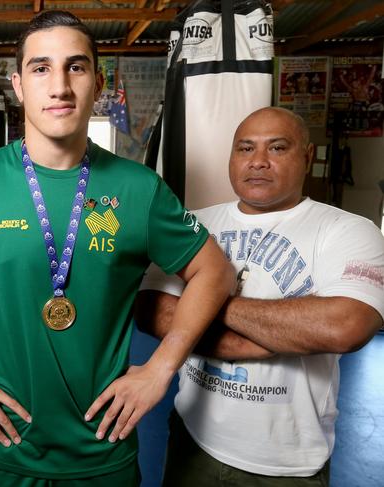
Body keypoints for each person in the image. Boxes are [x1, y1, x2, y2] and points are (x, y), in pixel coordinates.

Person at [0, 10, 234, 487]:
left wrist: (161, 367)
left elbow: (216, 273)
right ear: (18, 85)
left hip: (104, 455)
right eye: (41, 68)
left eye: (75, 67)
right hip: (3, 454)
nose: (59, 86)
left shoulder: (139, 189)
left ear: (97, 82)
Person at [136, 106, 384, 486]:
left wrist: (205, 301)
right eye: (246, 148)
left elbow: (345, 326)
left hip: (286, 463)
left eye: (278, 148)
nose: (259, 162)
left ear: (307, 155)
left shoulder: (348, 230)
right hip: (193, 437)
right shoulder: (195, 224)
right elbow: (152, 309)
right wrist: (282, 334)